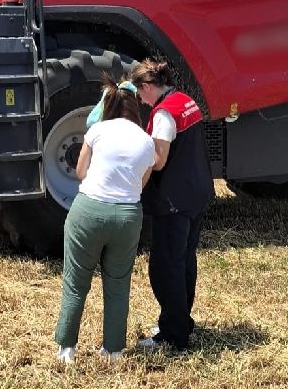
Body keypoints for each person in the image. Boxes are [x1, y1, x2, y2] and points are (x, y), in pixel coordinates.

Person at [54, 78, 156, 364]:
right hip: (127, 217)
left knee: (76, 282)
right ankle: (113, 351)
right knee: (118, 284)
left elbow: (80, 172)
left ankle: (67, 349)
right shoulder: (147, 141)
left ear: (108, 105)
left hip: (88, 211)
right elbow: (141, 184)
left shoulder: (97, 130)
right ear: (135, 107)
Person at [130, 58, 212, 352]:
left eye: (140, 93)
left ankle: (173, 335)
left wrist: (136, 158)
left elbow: (159, 160)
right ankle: (180, 320)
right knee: (185, 260)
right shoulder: (185, 101)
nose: (141, 100)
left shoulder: (164, 114)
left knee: (166, 268)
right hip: (196, 193)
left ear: (148, 86)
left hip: (173, 201)